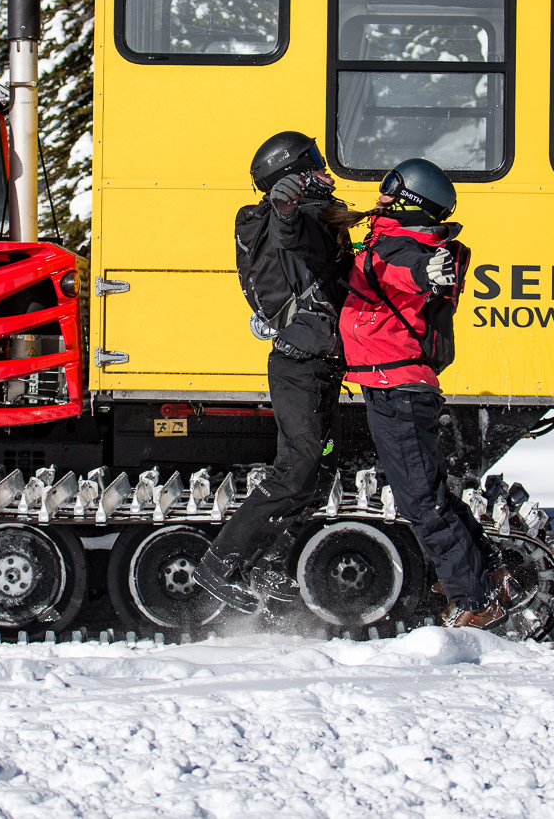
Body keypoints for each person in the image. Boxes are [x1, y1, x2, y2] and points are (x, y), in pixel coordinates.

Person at [338, 158, 509, 630]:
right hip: (393, 386)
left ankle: (474, 599)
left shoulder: (407, 247)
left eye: (391, 187)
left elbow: (409, 269)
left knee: (421, 503)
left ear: (412, 200)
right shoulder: (388, 238)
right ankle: (488, 572)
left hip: (399, 390)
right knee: (429, 495)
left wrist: (427, 272)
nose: (381, 194)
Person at [196, 131, 358, 612]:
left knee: (318, 470)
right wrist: (288, 213)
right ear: (291, 173)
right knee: (296, 469)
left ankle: (268, 563)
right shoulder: (291, 220)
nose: (323, 167)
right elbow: (300, 242)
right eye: (313, 160)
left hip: (318, 362)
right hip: (300, 364)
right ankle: (218, 564)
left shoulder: (304, 216)